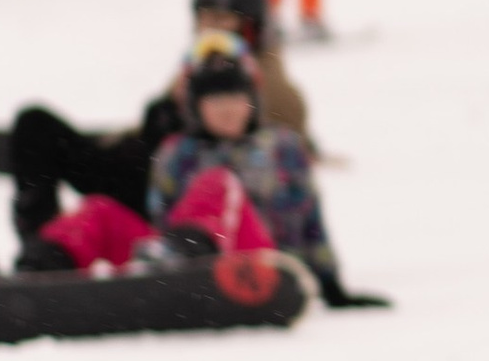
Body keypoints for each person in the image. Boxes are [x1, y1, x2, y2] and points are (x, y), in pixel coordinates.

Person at [0, 0, 312, 256]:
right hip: (146, 172)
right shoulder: (198, 62)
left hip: (190, 204)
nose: (212, 29)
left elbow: (271, 165)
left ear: (252, 27)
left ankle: (169, 250)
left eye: (224, 20)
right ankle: (47, 250)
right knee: (36, 126)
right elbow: (157, 133)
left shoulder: (266, 82)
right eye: (205, 19)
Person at [28, 27, 353, 287]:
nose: (228, 109)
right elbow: (161, 215)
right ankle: (38, 269)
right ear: (196, 109)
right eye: (215, 100)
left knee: (218, 183)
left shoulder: (281, 145)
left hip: (258, 262)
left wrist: (330, 283)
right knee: (100, 210)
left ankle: (180, 259)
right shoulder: (177, 150)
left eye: (236, 98)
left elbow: (310, 217)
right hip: (174, 259)